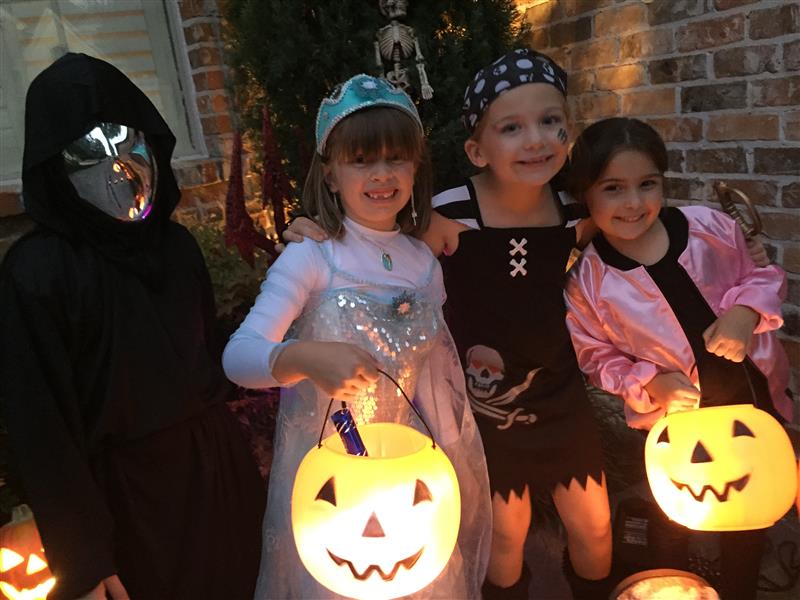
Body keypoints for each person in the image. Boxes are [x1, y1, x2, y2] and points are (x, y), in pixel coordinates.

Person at [285, 50, 615, 599]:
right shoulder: (449, 213)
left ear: (569, 131)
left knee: (596, 524)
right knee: (505, 534)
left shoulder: (576, 211)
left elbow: (633, 242)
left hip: (559, 392)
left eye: (550, 121)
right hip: (485, 401)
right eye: (512, 128)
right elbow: (379, 248)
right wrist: (316, 229)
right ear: (476, 150)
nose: (536, 139)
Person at [0, 53, 265, 600]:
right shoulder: (38, 273)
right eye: (89, 151)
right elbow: (41, 426)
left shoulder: (176, 247)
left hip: (216, 474)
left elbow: (206, 357)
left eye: (126, 140)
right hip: (124, 504)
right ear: (56, 165)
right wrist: (84, 558)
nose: (118, 166)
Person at [222, 74, 491, 599]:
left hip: (406, 471)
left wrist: (454, 457)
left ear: (415, 167)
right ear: (330, 174)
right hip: (332, 481)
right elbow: (239, 357)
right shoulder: (313, 256)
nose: (381, 174)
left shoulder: (422, 263)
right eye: (361, 160)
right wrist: (303, 357)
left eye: (396, 158)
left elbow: (436, 375)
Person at [563, 117, 793, 600]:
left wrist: (745, 313)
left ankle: (739, 588)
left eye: (647, 184)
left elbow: (763, 276)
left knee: (747, 506)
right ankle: (672, 584)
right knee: (673, 513)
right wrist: (650, 382)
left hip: (750, 400)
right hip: (674, 422)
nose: (633, 203)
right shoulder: (590, 281)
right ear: (586, 194)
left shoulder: (710, 229)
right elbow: (595, 354)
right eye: (613, 188)